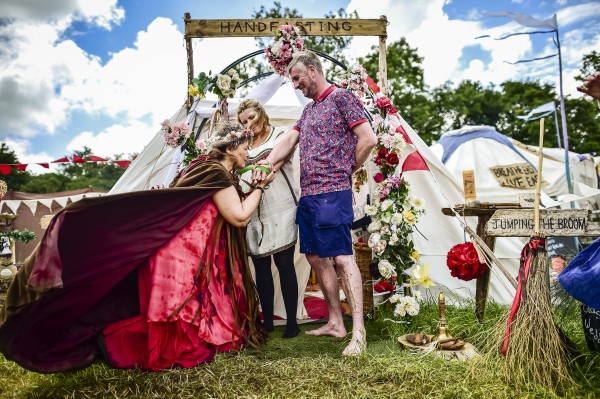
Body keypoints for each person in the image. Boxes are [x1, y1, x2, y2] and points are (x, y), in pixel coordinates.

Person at [0, 121, 275, 373]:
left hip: (178, 251)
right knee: (181, 312)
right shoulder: (215, 172)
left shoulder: (201, 168)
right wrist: (260, 187)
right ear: (230, 148)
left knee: (179, 309)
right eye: (244, 149)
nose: (247, 155)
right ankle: (116, 343)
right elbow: (238, 216)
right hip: (184, 254)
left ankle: (110, 339)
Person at [253, 50, 378, 356]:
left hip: (332, 193)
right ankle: (336, 321)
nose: (295, 85)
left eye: (297, 78)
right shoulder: (308, 110)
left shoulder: (343, 98)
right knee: (315, 259)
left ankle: (358, 331)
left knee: (341, 258)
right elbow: (288, 142)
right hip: (307, 196)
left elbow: (369, 139)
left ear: (312, 70)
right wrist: (266, 164)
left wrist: (347, 170)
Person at [237, 99, 300, 339]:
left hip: (280, 206)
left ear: (262, 114)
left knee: (285, 265)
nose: (249, 124)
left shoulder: (280, 134)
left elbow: (281, 159)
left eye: (252, 118)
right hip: (254, 210)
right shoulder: (242, 144)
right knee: (261, 267)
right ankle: (268, 320)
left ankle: (292, 322)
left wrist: (265, 168)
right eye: (243, 121)